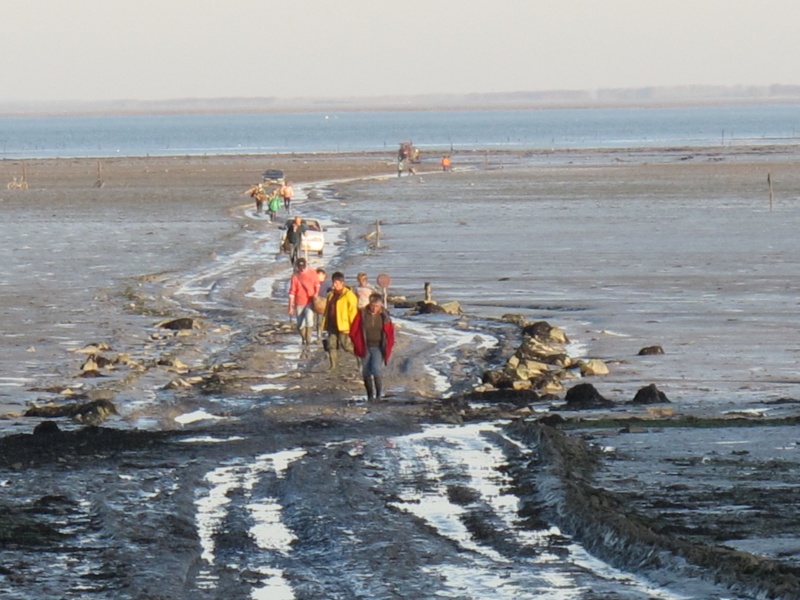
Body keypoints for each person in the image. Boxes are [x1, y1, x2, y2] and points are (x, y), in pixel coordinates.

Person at [349, 293, 395, 402]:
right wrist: (356, 343)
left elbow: (390, 333)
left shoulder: (385, 316)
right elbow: (354, 330)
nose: (374, 308)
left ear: (381, 305)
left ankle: (378, 395)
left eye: (377, 306)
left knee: (376, 369)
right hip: (364, 346)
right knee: (366, 371)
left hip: (378, 347)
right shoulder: (362, 314)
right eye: (372, 305)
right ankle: (370, 395)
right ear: (369, 304)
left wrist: (388, 345)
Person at [321, 271, 358, 371]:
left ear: (342, 283)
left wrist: (352, 327)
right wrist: (324, 324)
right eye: (333, 282)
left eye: (337, 283)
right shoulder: (330, 295)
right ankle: (333, 366)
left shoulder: (349, 295)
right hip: (332, 325)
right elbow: (327, 311)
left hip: (344, 325)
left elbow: (353, 313)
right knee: (331, 345)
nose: (334, 285)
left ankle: (360, 358)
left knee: (346, 346)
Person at [288, 257, 320, 345]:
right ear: (297, 267)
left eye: (303, 267)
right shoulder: (295, 276)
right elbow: (292, 292)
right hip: (299, 303)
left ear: (306, 265)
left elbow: (317, 284)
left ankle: (308, 339)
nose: (302, 269)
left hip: (310, 301)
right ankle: (304, 338)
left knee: (309, 320)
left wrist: (316, 293)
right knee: (299, 324)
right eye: (300, 267)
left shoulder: (312, 272)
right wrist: (290, 307)